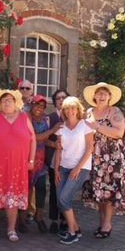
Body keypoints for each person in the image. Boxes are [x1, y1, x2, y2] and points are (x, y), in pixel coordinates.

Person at [0, 89, 36, 242]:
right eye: (4, 100)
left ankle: (11, 229)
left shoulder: (24, 118)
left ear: (15, 102)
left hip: (18, 165)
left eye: (10, 100)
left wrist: (30, 161)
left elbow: (33, 140)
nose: (7, 103)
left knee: (13, 197)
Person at [82, 82, 125, 239]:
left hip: (112, 157)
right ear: (94, 96)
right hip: (95, 157)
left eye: (105, 93)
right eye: (99, 93)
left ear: (109, 97)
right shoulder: (89, 112)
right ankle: (102, 221)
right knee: (99, 190)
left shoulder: (114, 111)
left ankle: (107, 224)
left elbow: (119, 132)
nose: (102, 96)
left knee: (109, 191)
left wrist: (96, 126)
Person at [54, 96, 94, 245]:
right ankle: (76, 228)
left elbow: (90, 147)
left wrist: (77, 168)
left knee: (65, 198)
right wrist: (56, 170)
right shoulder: (61, 127)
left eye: (73, 108)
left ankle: (72, 233)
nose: (70, 111)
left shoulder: (85, 125)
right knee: (60, 200)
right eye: (67, 108)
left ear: (78, 109)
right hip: (64, 167)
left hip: (80, 167)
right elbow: (59, 149)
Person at [26, 95, 62, 232]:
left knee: (41, 188)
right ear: (31, 105)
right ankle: (22, 220)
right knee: (26, 189)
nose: (39, 108)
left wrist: (53, 143)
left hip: (40, 159)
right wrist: (53, 130)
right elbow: (33, 138)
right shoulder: (27, 117)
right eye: (36, 105)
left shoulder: (45, 119)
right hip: (27, 157)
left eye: (42, 106)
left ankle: (39, 217)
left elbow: (44, 140)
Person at [45, 89, 69, 233]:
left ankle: (65, 219)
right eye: (58, 98)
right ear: (54, 102)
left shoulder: (74, 117)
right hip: (55, 158)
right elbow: (45, 139)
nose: (61, 100)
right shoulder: (50, 118)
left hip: (70, 158)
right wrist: (54, 144)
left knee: (67, 189)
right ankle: (54, 220)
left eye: (64, 97)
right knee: (55, 188)